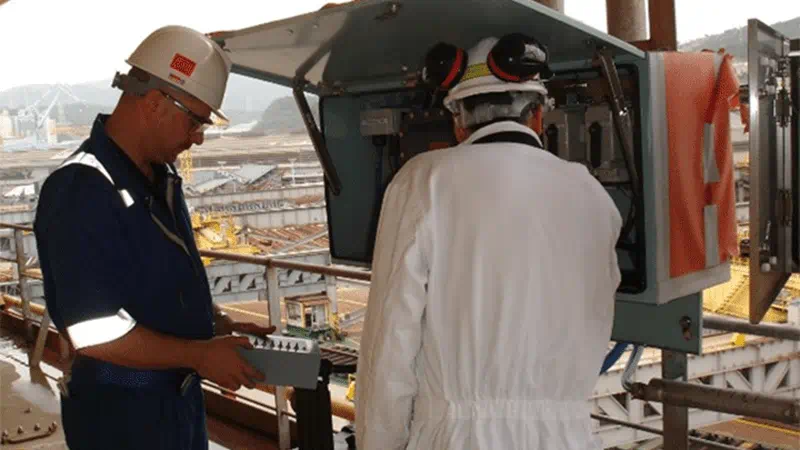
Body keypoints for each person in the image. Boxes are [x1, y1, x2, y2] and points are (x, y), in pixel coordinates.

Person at [355, 35, 622, 449]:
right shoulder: (593, 195)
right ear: (537, 117)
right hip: (567, 436)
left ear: (458, 122)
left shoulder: (424, 180)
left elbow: (391, 341)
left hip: (458, 437)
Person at [34, 25, 273, 450]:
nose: (198, 135)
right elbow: (92, 330)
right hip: (119, 421)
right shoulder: (81, 189)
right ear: (157, 104)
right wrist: (199, 355)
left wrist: (217, 324)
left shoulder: (158, 179)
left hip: (174, 409)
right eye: (196, 119)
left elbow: (162, 286)